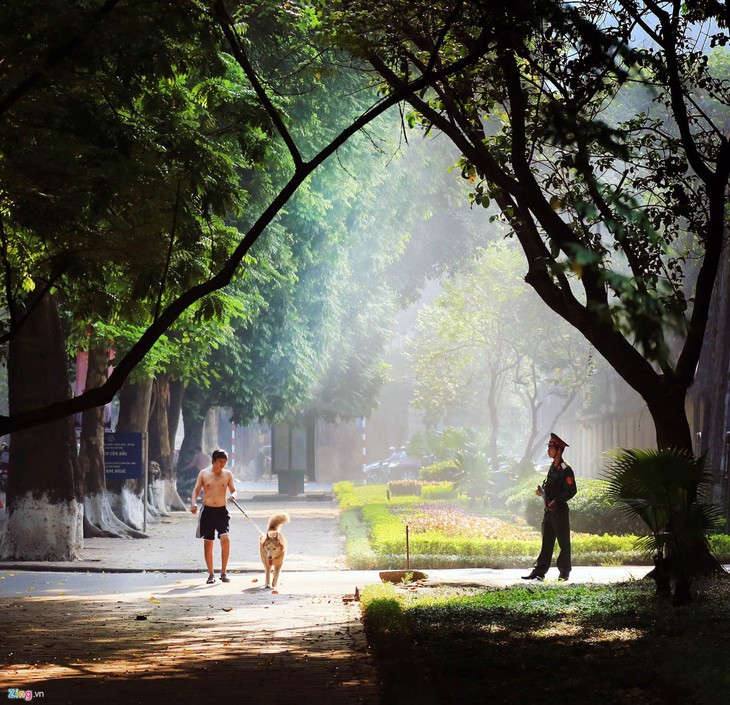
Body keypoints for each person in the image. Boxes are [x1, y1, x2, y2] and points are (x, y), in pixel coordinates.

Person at [522, 432, 577, 581]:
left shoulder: (566, 470)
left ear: (558, 450)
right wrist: (542, 493)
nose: (548, 450)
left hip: (559, 511)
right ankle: (539, 571)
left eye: (551, 447)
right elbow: (552, 488)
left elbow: (571, 490)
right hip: (549, 511)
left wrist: (557, 501)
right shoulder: (552, 468)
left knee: (563, 543)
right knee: (547, 542)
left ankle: (564, 572)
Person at [190, 449, 237, 584]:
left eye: (225, 462)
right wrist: (193, 504)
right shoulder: (204, 473)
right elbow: (196, 490)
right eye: (220, 461)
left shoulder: (227, 474)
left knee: (225, 539)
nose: (222, 464)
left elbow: (233, 490)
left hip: (222, 511)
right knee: (208, 543)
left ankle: (223, 572)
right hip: (208, 512)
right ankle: (211, 574)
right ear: (214, 460)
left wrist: (233, 496)